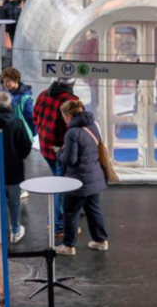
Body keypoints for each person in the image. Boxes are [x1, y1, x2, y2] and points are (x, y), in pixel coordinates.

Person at [55, 100, 109, 255]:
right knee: (94, 209)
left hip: (77, 180)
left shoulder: (72, 133)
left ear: (67, 115)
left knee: (70, 212)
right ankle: (101, 241)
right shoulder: (94, 125)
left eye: (63, 116)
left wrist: (59, 153)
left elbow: (70, 160)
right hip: (95, 176)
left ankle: (68, 246)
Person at [0, 92, 32, 243]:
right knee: (14, 202)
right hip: (14, 171)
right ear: (10, 104)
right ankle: (15, 231)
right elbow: (26, 146)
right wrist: (19, 157)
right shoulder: (17, 123)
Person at [34, 77, 79, 236]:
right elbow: (77, 129)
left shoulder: (43, 94)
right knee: (61, 188)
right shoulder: (72, 101)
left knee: (59, 183)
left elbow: (35, 118)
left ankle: (56, 218)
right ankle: (58, 225)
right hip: (61, 151)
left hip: (46, 148)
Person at [0, 67, 36, 138]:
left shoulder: (25, 98)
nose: (5, 84)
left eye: (8, 81)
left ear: (16, 80)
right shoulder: (10, 93)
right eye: (4, 81)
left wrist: (29, 136)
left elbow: (31, 119)